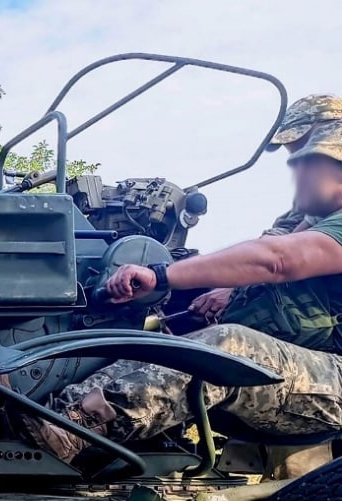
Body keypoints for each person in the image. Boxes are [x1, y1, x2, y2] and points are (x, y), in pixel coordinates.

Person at [25, 121, 342, 462]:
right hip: (298, 368)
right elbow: (273, 248)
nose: (299, 172)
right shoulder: (310, 218)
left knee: (230, 346)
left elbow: (278, 260)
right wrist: (222, 289)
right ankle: (40, 412)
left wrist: (161, 275)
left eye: (311, 161)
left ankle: (71, 427)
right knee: (160, 338)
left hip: (333, 380)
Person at [191, 94, 342, 322]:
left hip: (326, 316)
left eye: (306, 145)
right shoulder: (315, 197)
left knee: (226, 336)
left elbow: (281, 258)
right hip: (303, 298)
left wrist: (236, 289)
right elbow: (284, 237)